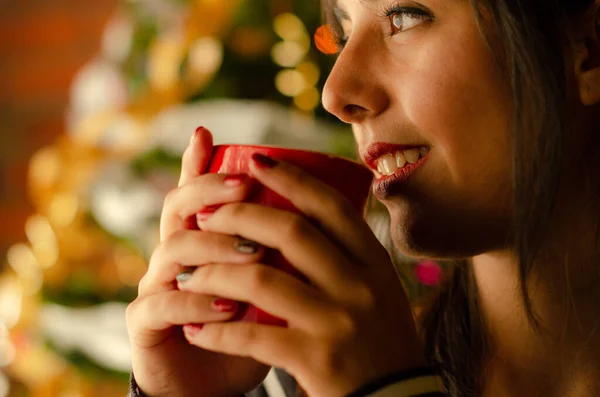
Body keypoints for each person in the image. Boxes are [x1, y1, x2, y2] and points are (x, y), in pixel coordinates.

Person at [125, 0, 600, 395]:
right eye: (345, 33)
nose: (335, 92)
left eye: (405, 16)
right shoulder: (308, 374)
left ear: (589, 50)